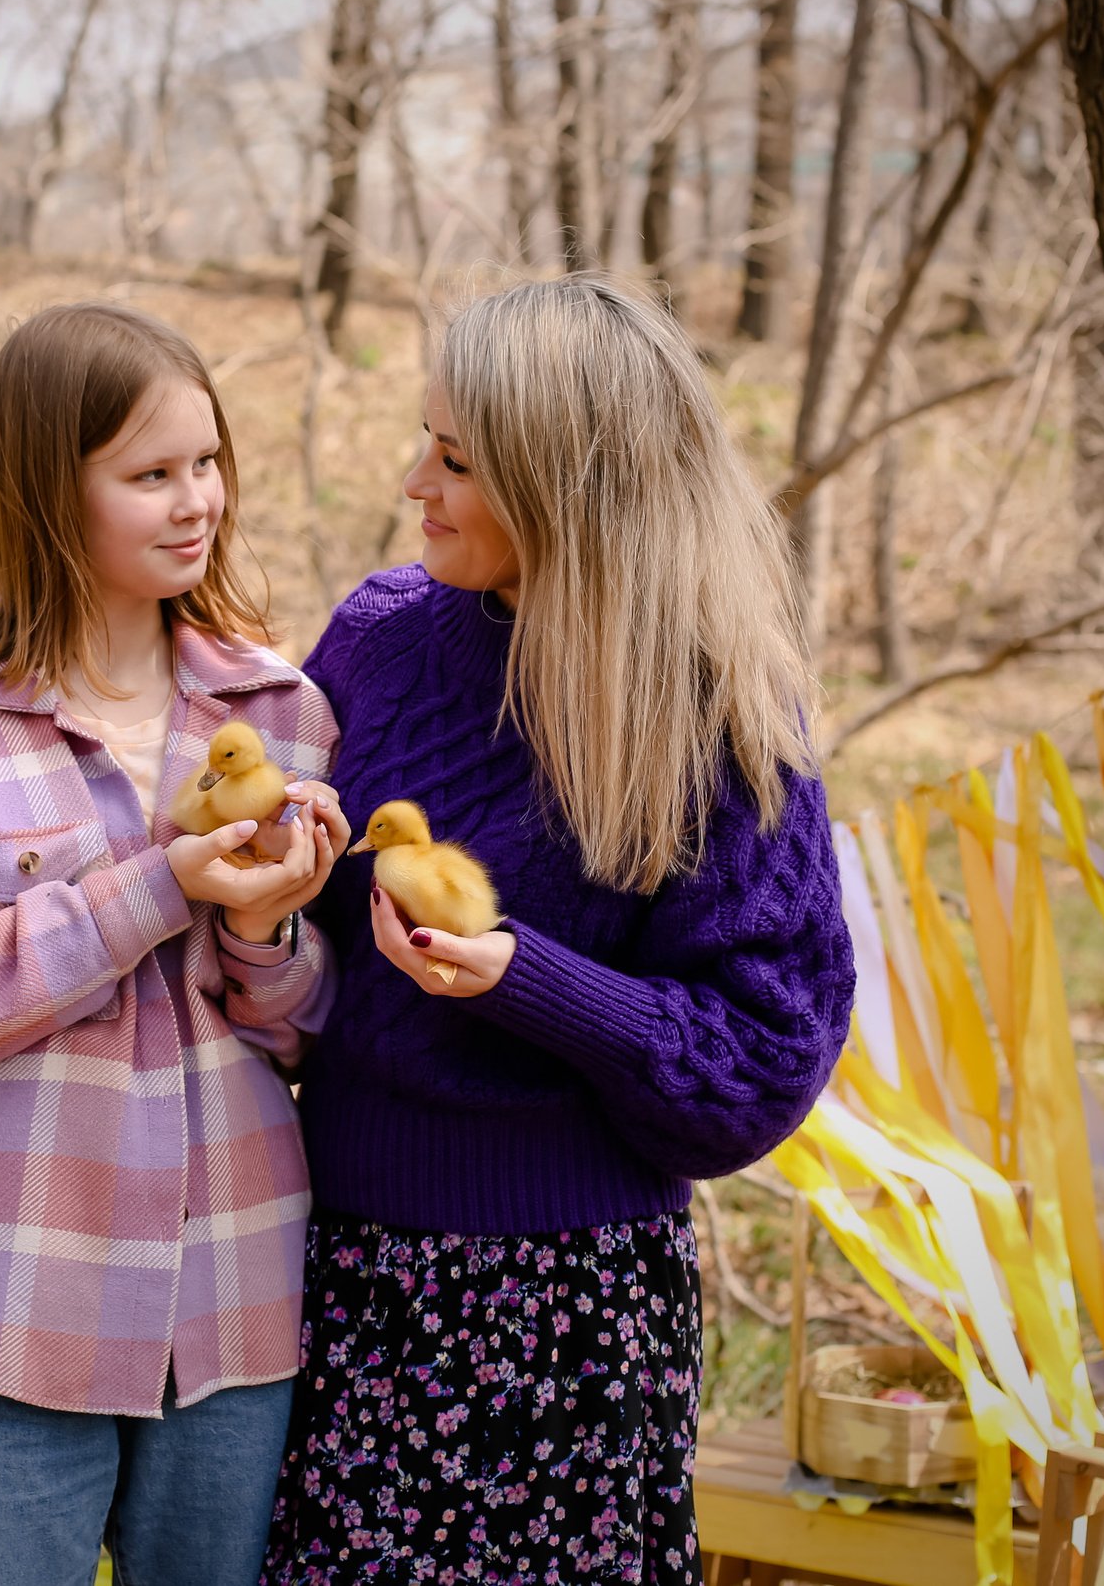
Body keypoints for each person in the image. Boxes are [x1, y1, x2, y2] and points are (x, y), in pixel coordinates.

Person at [260, 275, 855, 1585]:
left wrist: (528, 978)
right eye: (426, 439)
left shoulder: (715, 714)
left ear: (566, 484)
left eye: (458, 457)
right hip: (341, 1272)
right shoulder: (376, 640)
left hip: (569, 1317)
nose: (415, 477)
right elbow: (271, 928)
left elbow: (765, 1056)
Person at [0, 301, 348, 1586]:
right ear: (45, 493)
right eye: (149, 475)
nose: (197, 504)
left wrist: (262, 925)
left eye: (207, 463)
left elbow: (305, 1027)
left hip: (228, 1309)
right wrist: (155, 890)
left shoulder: (279, 708)